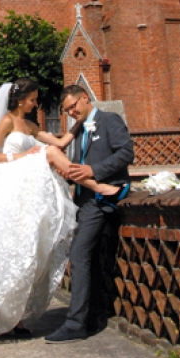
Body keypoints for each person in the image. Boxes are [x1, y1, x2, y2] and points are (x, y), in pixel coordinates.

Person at [0, 78, 100, 342]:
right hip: (10, 182)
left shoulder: (31, 125)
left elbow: (60, 142)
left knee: (27, 252)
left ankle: (16, 317)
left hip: (27, 189)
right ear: (21, 100)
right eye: (33, 99)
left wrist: (83, 118)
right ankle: (95, 185)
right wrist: (21, 156)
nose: (36, 104)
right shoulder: (8, 122)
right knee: (11, 250)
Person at [45, 85, 134, 344]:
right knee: (90, 257)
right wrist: (71, 174)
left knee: (79, 253)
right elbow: (78, 166)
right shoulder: (79, 130)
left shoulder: (109, 120)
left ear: (85, 97)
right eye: (66, 110)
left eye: (73, 106)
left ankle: (76, 324)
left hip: (102, 198)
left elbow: (126, 153)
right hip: (84, 200)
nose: (71, 112)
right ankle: (94, 315)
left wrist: (93, 170)